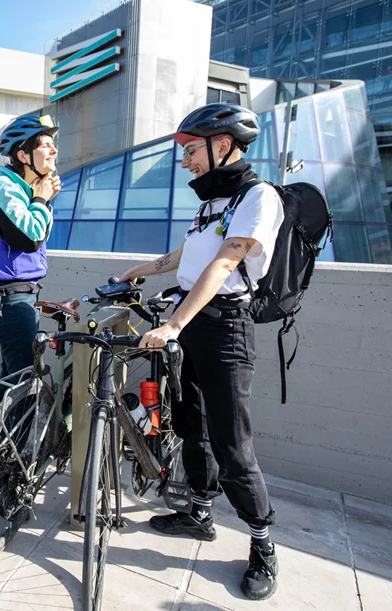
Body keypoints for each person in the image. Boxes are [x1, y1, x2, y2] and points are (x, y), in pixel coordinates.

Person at [115, 103, 282, 601]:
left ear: (223, 145)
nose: (184, 161)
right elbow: (187, 259)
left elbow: (224, 265)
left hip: (224, 327)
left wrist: (172, 324)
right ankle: (199, 513)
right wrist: (139, 271)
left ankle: (262, 545)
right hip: (189, 325)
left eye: (191, 151)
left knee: (234, 442)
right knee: (192, 425)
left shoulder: (258, 196)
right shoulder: (212, 203)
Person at [0, 114, 60, 400]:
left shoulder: (26, 190)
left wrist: (41, 198)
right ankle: (16, 445)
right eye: (45, 145)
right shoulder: (4, 188)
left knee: (11, 378)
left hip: (22, 293)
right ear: (22, 154)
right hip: (7, 297)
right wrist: (41, 200)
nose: (54, 150)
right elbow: (30, 238)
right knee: (25, 382)